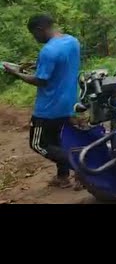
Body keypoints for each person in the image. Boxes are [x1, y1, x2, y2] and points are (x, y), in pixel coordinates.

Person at [3, 14, 81, 188]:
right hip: (68, 103)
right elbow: (60, 65)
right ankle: (62, 177)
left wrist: (16, 73)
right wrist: (34, 65)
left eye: (34, 34)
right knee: (56, 141)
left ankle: (80, 167)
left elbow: (41, 80)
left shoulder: (48, 51)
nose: (35, 38)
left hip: (48, 108)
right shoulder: (72, 41)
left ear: (40, 29)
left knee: (38, 144)